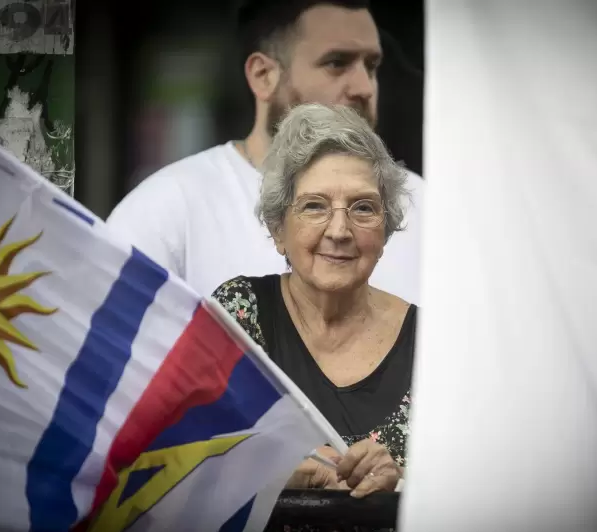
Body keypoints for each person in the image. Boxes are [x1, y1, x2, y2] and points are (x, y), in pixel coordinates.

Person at [105, 0, 423, 305]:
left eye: (371, 66)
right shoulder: (166, 210)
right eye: (336, 63)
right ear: (263, 76)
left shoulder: (423, 206)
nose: (364, 87)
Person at [212, 102, 415, 532]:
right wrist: (283, 472)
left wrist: (399, 483)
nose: (340, 230)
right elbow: (179, 460)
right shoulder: (236, 315)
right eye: (315, 206)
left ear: (385, 230)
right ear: (279, 228)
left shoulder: (431, 343)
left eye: (363, 208)